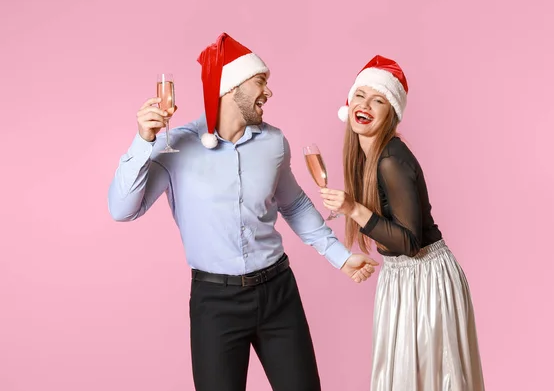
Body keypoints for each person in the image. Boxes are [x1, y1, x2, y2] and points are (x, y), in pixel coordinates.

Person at [107, 33, 378, 391]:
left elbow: (294, 205)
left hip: (279, 292)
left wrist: (341, 258)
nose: (269, 92)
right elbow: (123, 209)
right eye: (261, 82)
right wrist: (143, 141)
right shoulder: (176, 146)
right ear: (229, 86)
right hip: (215, 303)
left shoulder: (274, 143)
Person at [320, 55, 485, 391]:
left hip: (424, 278)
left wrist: (353, 209)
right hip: (402, 278)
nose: (365, 104)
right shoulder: (370, 158)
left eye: (378, 99)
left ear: (390, 114)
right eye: (360, 95)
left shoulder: (391, 160)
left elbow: (409, 243)